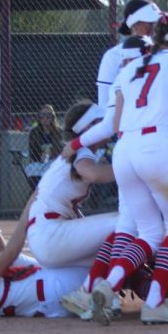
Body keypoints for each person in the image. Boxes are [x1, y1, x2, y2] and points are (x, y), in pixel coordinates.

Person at [85, 14, 168, 325]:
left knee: (149, 232)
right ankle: (155, 300)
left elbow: (114, 124)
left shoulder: (129, 69)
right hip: (158, 146)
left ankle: (110, 282)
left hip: (125, 150)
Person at [25, 101, 118, 270]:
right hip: (51, 235)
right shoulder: (81, 151)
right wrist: (132, 168)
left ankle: (145, 285)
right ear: (87, 128)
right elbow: (93, 174)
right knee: (128, 221)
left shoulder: (78, 150)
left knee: (114, 258)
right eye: (100, 120)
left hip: (48, 236)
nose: (106, 123)